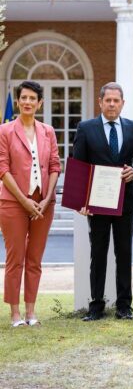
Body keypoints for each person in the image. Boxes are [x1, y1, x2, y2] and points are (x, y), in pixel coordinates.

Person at [73, 82, 133, 321]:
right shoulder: (86, 128)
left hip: (125, 201)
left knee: (124, 253)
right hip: (97, 202)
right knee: (99, 253)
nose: (112, 104)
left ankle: (124, 306)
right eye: (108, 100)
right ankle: (96, 306)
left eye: (116, 100)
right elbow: (79, 167)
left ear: (122, 103)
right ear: (101, 102)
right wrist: (81, 201)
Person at [0, 81, 60, 327]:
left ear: (40, 103)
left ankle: (31, 312)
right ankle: (15, 314)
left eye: (32, 98)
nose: (27, 102)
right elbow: (2, 168)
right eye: (23, 97)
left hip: (43, 203)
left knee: (35, 259)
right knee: (16, 259)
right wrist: (24, 200)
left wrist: (46, 199)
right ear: (17, 101)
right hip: (13, 202)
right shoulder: (4, 131)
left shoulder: (48, 131)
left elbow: (56, 165)